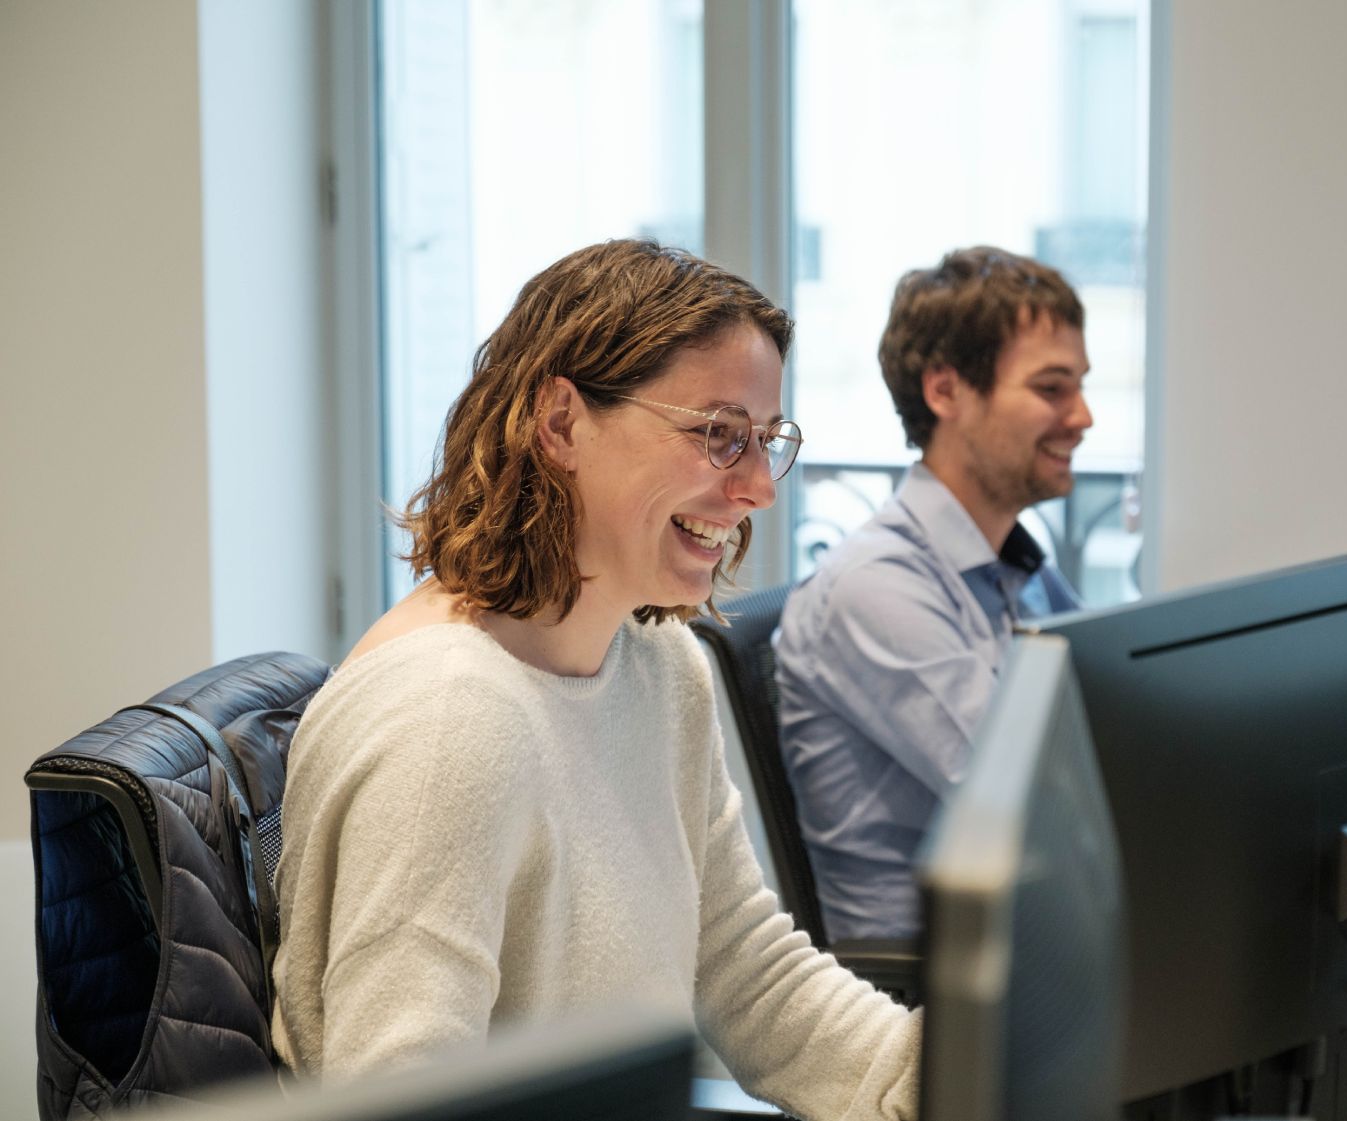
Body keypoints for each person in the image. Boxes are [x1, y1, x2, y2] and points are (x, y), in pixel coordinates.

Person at [271, 240, 919, 1120]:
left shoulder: (655, 662)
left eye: (766, 442)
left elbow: (746, 970)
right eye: (720, 434)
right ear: (562, 422)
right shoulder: (446, 723)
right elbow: (396, 1099)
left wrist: (947, 1075)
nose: (760, 488)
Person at [775, 246, 1091, 941]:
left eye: (1080, 386)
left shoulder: (1023, 569)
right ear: (945, 391)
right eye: (1052, 388)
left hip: (1032, 951)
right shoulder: (875, 588)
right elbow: (1042, 809)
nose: (1083, 416)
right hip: (926, 999)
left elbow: (1111, 724)